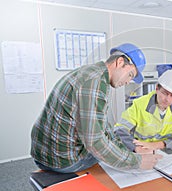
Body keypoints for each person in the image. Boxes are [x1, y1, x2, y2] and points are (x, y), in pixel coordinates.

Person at [31, 43, 162, 173]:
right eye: (130, 75)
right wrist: (137, 161)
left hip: (44, 150)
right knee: (106, 157)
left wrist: (131, 149)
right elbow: (95, 142)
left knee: (113, 147)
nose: (128, 82)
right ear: (120, 62)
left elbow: (103, 126)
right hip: (59, 160)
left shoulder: (94, 73)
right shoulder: (94, 83)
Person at [114, 69, 172, 154]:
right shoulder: (140, 104)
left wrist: (158, 145)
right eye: (165, 93)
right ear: (157, 88)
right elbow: (119, 130)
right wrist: (136, 148)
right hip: (144, 151)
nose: (167, 99)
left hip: (169, 150)